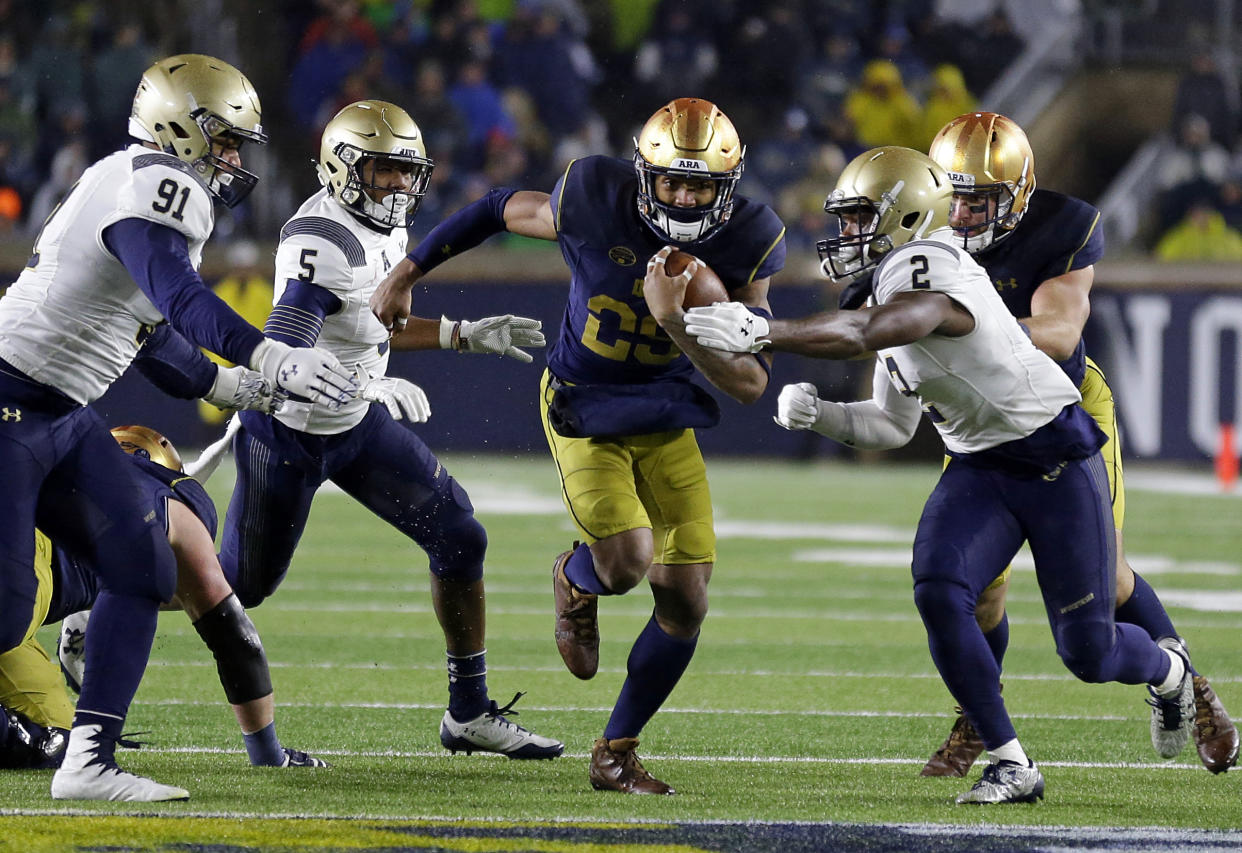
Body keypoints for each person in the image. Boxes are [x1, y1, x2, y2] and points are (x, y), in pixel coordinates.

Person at [684, 145, 1198, 804]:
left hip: (1052, 456)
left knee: (1089, 653)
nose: (844, 234)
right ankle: (1012, 761)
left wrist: (767, 331)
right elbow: (891, 425)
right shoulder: (882, 285)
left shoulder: (933, 267)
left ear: (904, 219)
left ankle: (1168, 669)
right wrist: (824, 416)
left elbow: (890, 325)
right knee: (938, 584)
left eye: (858, 218)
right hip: (982, 463)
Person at [370, 97, 786, 794]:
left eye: (700, 186)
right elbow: (498, 206)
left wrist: (678, 324)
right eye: (672, 182)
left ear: (730, 185)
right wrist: (406, 271)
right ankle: (577, 575)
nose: (683, 197)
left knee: (685, 596)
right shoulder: (593, 196)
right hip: (584, 404)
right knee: (627, 562)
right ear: (641, 173)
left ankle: (616, 749)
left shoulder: (750, 237)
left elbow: (749, 383)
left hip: (666, 411)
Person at [0, 53, 358, 801]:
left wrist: (234, 383)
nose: (232, 160)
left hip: (59, 411)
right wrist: (270, 354)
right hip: (8, 400)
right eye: (223, 141)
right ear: (178, 127)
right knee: (3, 613)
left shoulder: (130, 185)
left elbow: (152, 333)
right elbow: (181, 296)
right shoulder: (156, 186)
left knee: (139, 562)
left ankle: (89, 762)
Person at [217, 99, 562, 762]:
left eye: (407, 173)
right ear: (342, 168)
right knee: (237, 585)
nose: (400, 187)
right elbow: (288, 350)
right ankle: (109, 589)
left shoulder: (382, 229)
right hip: (287, 433)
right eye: (383, 172)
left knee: (459, 533)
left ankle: (468, 712)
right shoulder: (324, 239)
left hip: (351, 423)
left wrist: (462, 334)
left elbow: (372, 323)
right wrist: (369, 382)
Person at [920, 111, 1237, 776]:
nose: (966, 216)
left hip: (1063, 410)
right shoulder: (924, 230)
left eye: (982, 201)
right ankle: (979, 718)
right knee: (977, 593)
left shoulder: (1062, 226)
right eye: (957, 199)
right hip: (979, 418)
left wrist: (962, 325)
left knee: (1110, 578)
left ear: (1020, 194)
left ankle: (1190, 684)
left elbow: (1060, 331)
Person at [2, 424, 327, 770]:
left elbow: (154, 587)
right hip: (19, 561)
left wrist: (92, 608)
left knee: (58, 739)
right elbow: (233, 635)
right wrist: (268, 754)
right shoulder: (171, 505)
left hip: (25, 588)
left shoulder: (69, 458)